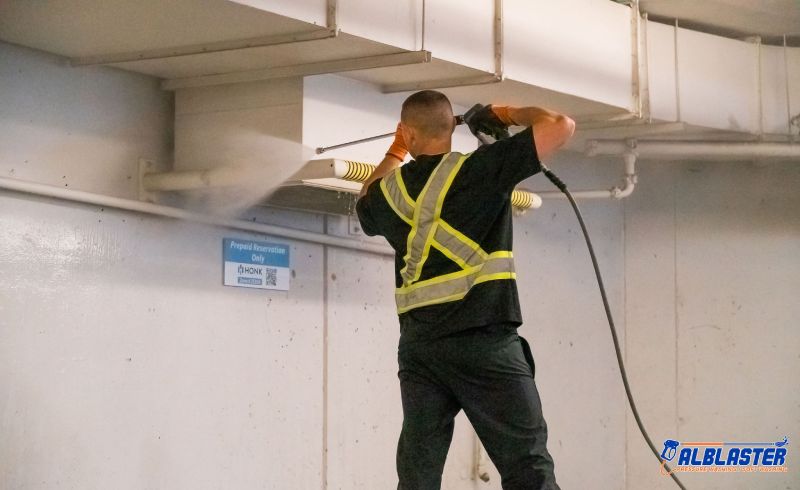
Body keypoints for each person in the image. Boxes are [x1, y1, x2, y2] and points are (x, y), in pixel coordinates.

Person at [356, 90, 574, 490]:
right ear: (449, 129)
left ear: (407, 131)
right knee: (527, 467)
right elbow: (560, 125)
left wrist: (396, 148)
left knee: (418, 475)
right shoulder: (481, 169)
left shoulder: (392, 192)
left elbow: (366, 196)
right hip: (485, 344)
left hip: (422, 350)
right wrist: (505, 112)